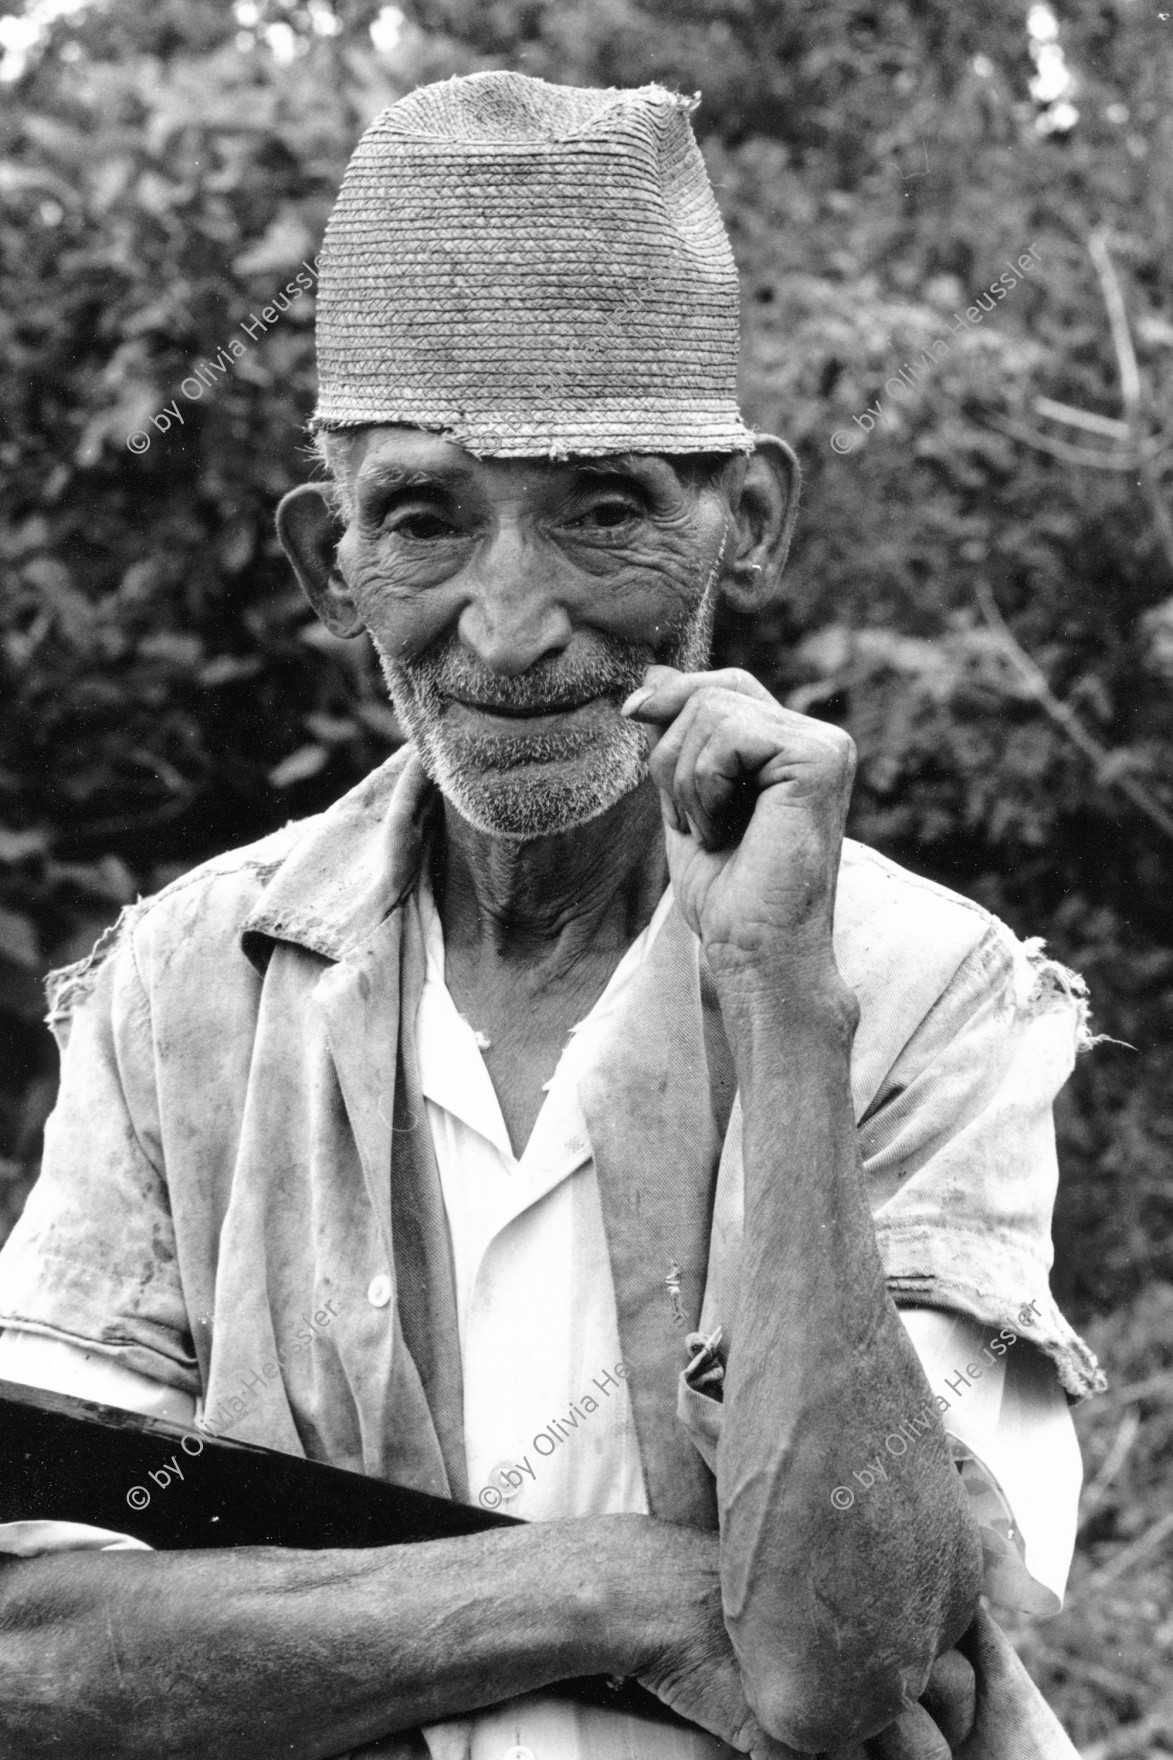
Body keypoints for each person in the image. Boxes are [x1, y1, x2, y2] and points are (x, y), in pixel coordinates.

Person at [0, 70, 1103, 1760]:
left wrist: (778, 998)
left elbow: (833, 1663)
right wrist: (623, 1591)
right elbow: (29, 1651)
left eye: (602, 508)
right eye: (423, 520)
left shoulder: (921, 983)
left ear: (745, 520)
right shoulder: (184, 987)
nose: (508, 631)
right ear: (324, 559)